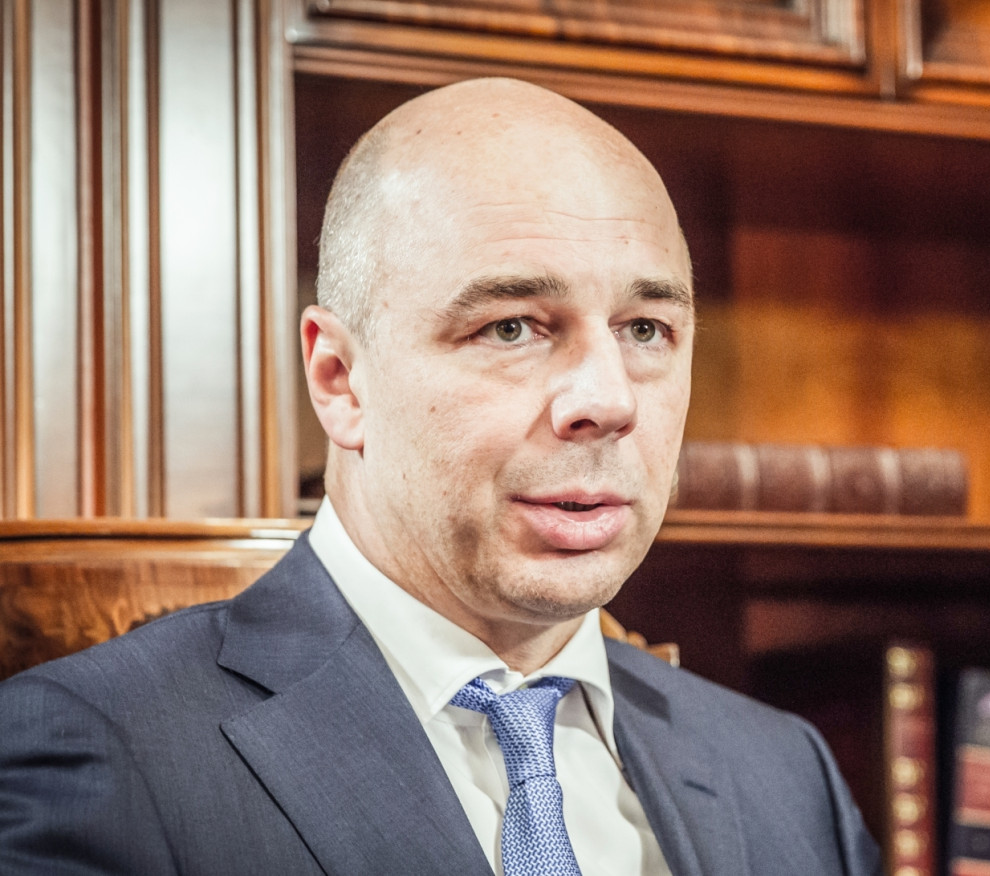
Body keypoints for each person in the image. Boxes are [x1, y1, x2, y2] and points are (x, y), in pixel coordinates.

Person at [0, 77, 880, 875]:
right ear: (340, 379)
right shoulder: (95, 757)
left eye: (645, 329)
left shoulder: (787, 775)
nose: (609, 402)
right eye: (512, 327)